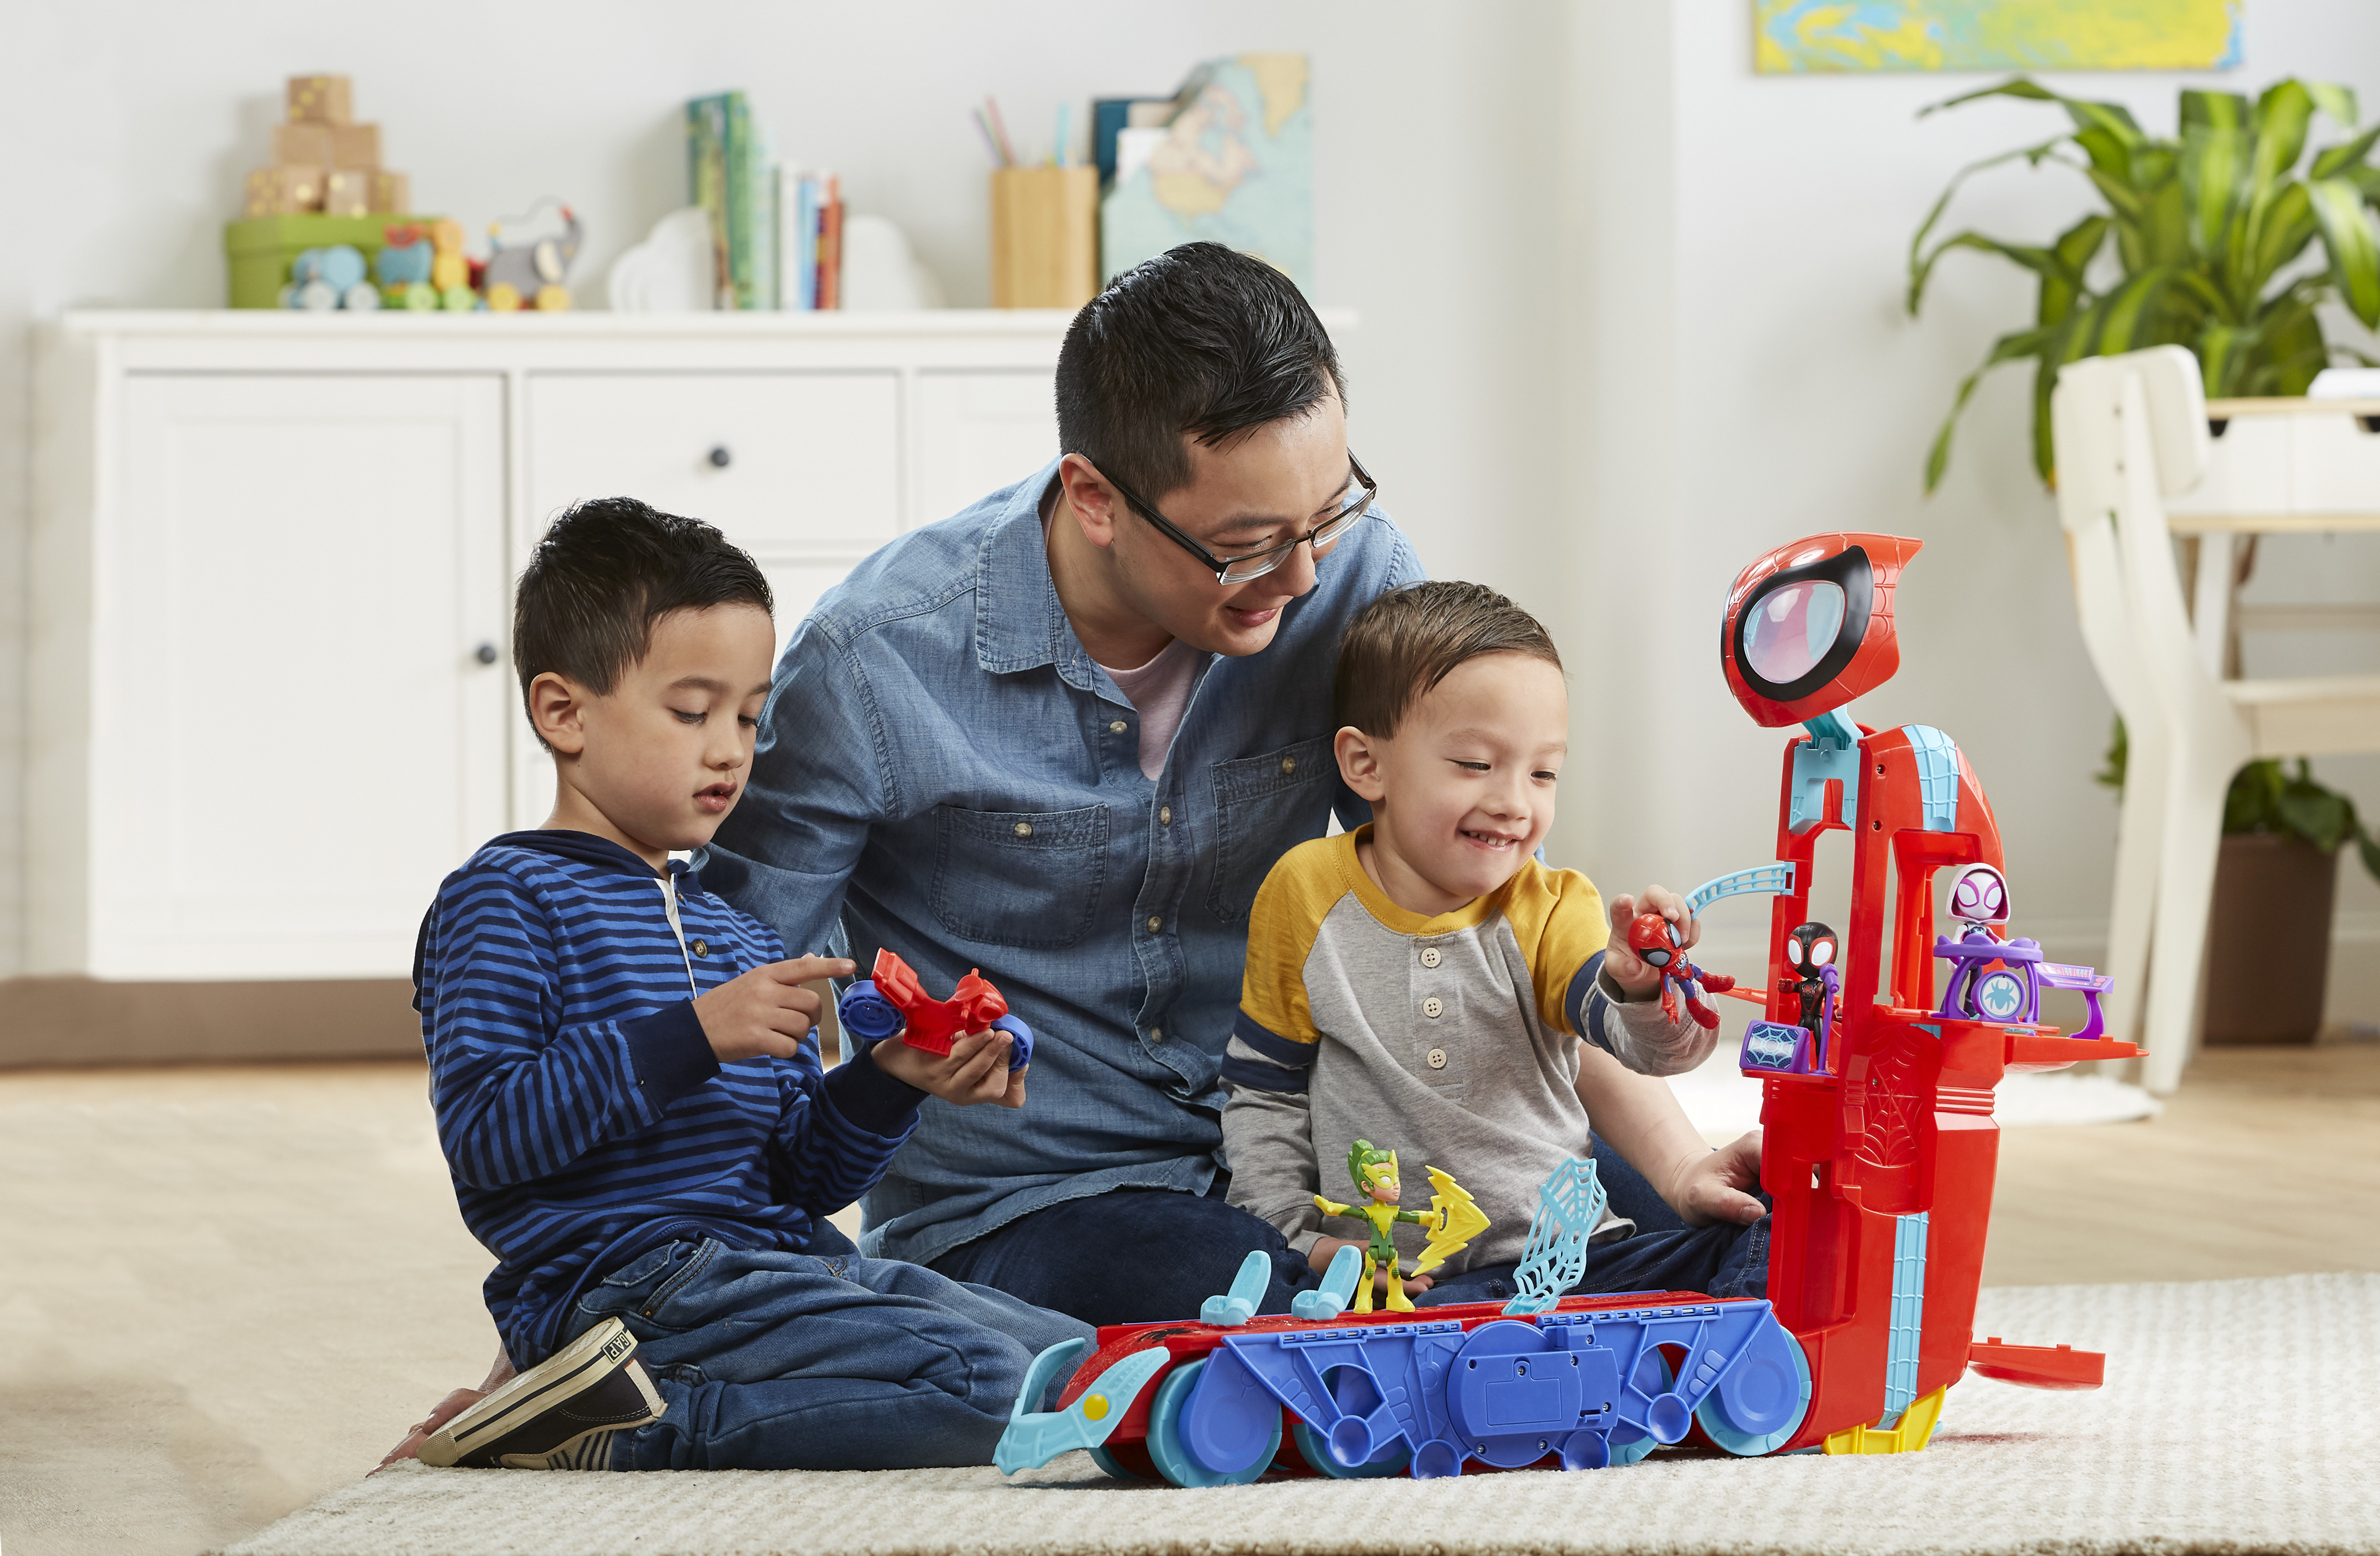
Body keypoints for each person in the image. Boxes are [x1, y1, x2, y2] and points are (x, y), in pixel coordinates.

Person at [703, 244, 1764, 1326]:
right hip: (1039, 1199)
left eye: (1327, 513)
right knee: (1284, 1321)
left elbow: (1491, 926)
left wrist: (1680, 1162)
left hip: (1361, 1145)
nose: (1302, 578)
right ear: (1096, 498)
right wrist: (661, 1277)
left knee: (1729, 1246)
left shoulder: (1352, 578)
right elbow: (728, 992)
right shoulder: (876, 662)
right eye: (1247, 545)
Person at [405, 498, 1085, 1472]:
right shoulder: (505, 900)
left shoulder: (733, 933)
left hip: (773, 1261)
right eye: (691, 712)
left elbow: (802, 1177)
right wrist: (692, 1036)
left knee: (1066, 1361)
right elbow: (489, 1137)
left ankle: (639, 1404)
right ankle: (626, 1432)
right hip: (624, 1288)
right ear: (563, 713)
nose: (730, 747)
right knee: (983, 1385)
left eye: (750, 716)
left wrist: (892, 1078)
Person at [1221, 580, 1770, 1309]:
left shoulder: (1551, 905)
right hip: (1419, 1287)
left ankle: (1725, 1365)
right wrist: (1296, 1234)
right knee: (1378, 1340)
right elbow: (1263, 1092)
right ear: (1366, 766)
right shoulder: (1305, 892)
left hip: (1579, 1266)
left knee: (1775, 1234)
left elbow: (1648, 1051)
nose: (1516, 801)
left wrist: (1640, 990)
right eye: (1476, 765)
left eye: (1544, 772)